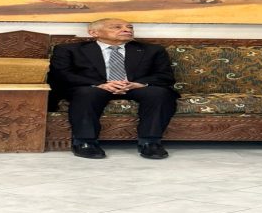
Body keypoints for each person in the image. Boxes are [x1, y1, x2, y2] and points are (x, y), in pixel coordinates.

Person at [47, 18, 178, 159]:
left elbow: (165, 76)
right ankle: (85, 142)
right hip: (94, 87)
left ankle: (150, 143)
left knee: (159, 93)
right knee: (86, 93)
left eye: (129, 27)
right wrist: (99, 84)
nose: (127, 30)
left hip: (134, 86)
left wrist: (138, 83)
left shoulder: (152, 50)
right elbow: (61, 74)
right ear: (94, 32)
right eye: (117, 27)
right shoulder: (69, 49)